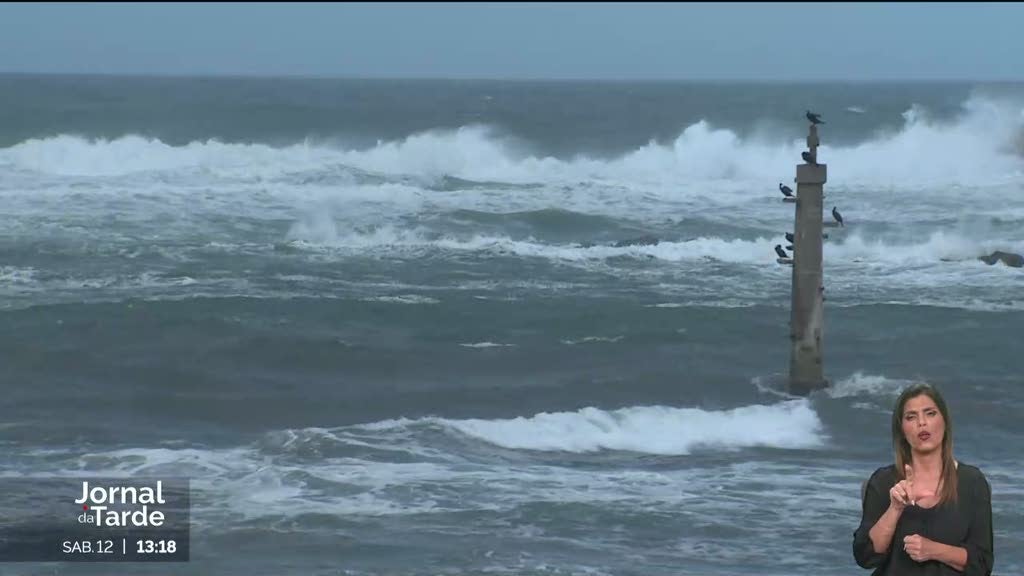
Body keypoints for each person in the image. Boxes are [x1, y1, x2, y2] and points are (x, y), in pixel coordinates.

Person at [853, 383, 993, 575]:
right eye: (911, 417)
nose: (922, 423)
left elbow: (982, 564)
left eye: (930, 413)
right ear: (901, 429)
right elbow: (865, 556)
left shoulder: (972, 482)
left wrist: (933, 550)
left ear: (944, 421)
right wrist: (895, 508)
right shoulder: (883, 481)